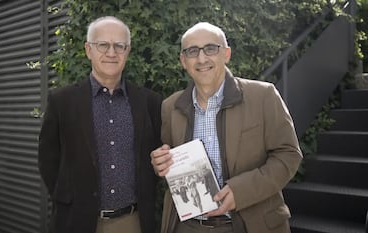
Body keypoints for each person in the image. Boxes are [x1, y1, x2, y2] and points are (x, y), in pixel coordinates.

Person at [150, 22, 303, 233]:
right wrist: (160, 164)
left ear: (227, 54)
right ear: (183, 61)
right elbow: (169, 161)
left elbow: (289, 155)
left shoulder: (263, 96)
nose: (202, 59)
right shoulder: (170, 107)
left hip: (250, 225)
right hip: (188, 227)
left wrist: (241, 191)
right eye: (192, 51)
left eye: (211, 48)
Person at [38, 16, 162, 233]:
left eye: (119, 46)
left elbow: (157, 158)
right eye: (103, 45)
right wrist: (67, 199)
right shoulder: (62, 102)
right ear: (88, 50)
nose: (111, 53)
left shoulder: (149, 102)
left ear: (128, 51)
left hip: (133, 222)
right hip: (78, 222)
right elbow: (48, 159)